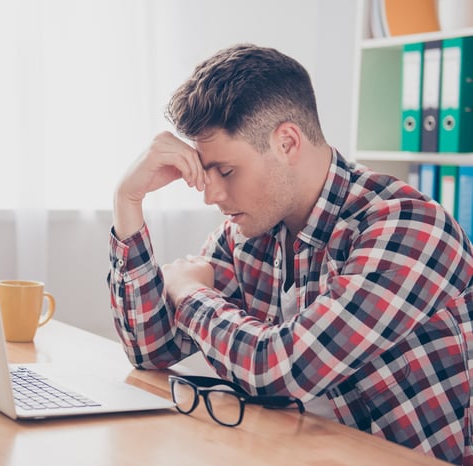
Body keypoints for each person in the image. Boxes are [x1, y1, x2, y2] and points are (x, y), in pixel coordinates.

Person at [107, 43, 473, 465]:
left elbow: (280, 370)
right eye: (206, 174)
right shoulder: (247, 231)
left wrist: (190, 295)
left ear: (286, 142)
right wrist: (127, 201)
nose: (211, 194)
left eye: (225, 171)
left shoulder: (408, 229)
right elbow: (151, 350)